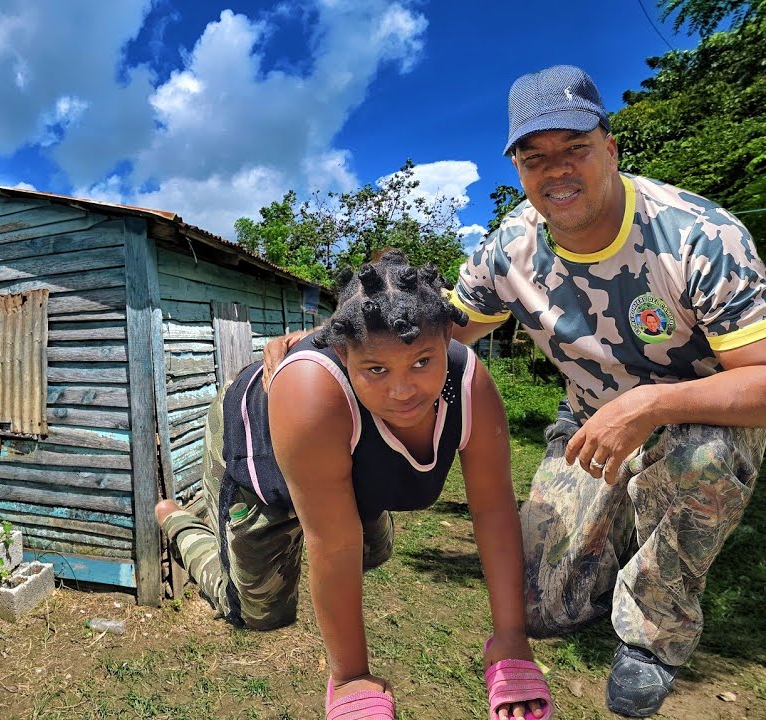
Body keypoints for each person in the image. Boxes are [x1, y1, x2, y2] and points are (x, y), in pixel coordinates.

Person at [266, 65, 766, 718]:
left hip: (695, 423)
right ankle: (622, 526)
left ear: (611, 149)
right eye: (536, 159)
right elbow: (436, 328)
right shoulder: (511, 248)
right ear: (519, 170)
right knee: (537, 606)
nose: (556, 171)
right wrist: (332, 338)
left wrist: (649, 405)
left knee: (703, 462)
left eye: (575, 149)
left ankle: (656, 629)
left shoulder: (700, 237)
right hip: (587, 428)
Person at [157, 251, 552, 719]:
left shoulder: (468, 383)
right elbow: (334, 541)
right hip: (257, 457)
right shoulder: (311, 388)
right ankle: (179, 519)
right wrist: (350, 678)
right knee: (256, 612)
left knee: (373, 550)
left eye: (422, 361)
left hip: (333, 456)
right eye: (376, 370)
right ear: (342, 354)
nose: (403, 391)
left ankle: (338, 487)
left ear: (448, 339)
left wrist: (510, 638)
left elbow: (493, 510)